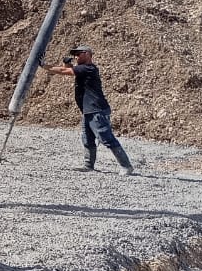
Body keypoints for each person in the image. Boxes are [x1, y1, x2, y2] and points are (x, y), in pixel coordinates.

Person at [41, 45, 133, 174]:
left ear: (87, 54)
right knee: (87, 139)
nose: (76, 57)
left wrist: (43, 65)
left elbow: (64, 71)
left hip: (96, 110)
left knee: (106, 138)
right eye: (75, 55)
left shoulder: (88, 68)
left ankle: (126, 166)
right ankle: (88, 165)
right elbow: (70, 70)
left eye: (78, 54)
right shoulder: (84, 69)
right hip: (88, 110)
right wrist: (67, 64)